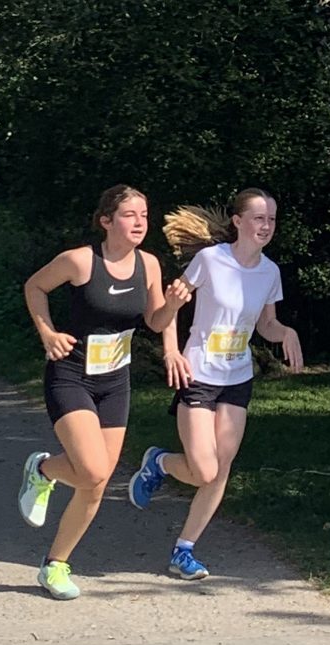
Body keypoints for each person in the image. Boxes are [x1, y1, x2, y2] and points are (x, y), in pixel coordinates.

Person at [18, 185, 191, 600]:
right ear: (107, 221)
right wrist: (47, 333)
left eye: (145, 215)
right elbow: (34, 287)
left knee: (96, 483)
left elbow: (155, 319)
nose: (139, 223)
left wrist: (172, 312)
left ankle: (55, 565)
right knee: (92, 470)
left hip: (115, 382)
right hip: (71, 375)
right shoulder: (80, 261)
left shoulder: (148, 264)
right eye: (130, 215)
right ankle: (42, 471)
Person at [127, 188, 304, 580]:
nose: (266, 226)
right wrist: (171, 351)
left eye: (272, 219)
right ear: (238, 221)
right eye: (258, 218)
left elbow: (266, 323)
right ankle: (159, 462)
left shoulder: (269, 272)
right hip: (199, 374)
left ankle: (183, 551)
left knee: (221, 469)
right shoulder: (210, 260)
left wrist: (285, 332)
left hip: (237, 378)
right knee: (203, 471)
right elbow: (170, 308)